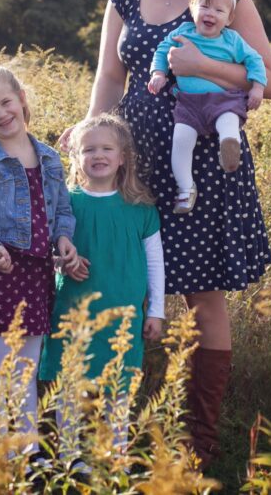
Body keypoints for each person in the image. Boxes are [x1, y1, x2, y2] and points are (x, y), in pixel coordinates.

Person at [61, 0, 271, 470]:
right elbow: (109, 77)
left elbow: (270, 83)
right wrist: (88, 130)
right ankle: (114, 426)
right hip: (134, 162)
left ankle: (198, 444)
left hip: (205, 161)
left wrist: (202, 64)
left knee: (202, 297)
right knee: (123, 283)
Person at [0, 65, 87, 450]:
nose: (0, 114)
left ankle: (28, 449)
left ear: (21, 99)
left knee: (26, 369)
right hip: (1, 273)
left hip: (36, 275)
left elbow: (62, 211)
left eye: (5, 102)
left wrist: (64, 238)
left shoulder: (49, 159)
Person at [39, 114, 165, 459]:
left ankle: (114, 460)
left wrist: (156, 311)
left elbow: (155, 264)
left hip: (123, 311)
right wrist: (62, 261)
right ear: (75, 157)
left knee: (118, 388)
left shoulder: (141, 208)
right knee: (69, 384)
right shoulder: (67, 202)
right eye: (88, 149)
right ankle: (69, 459)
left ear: (122, 157)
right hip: (73, 307)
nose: (98, 155)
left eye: (107, 148)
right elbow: (48, 250)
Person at [148, 0, 267, 213]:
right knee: (180, 142)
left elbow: (255, 60)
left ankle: (229, 148)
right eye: (203, 6)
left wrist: (257, 87)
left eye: (219, 10)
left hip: (223, 101)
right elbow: (162, 49)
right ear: (192, 9)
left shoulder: (232, 40)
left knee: (229, 121)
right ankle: (185, 188)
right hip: (188, 105)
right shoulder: (184, 32)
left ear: (229, 18)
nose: (209, 13)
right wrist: (159, 73)